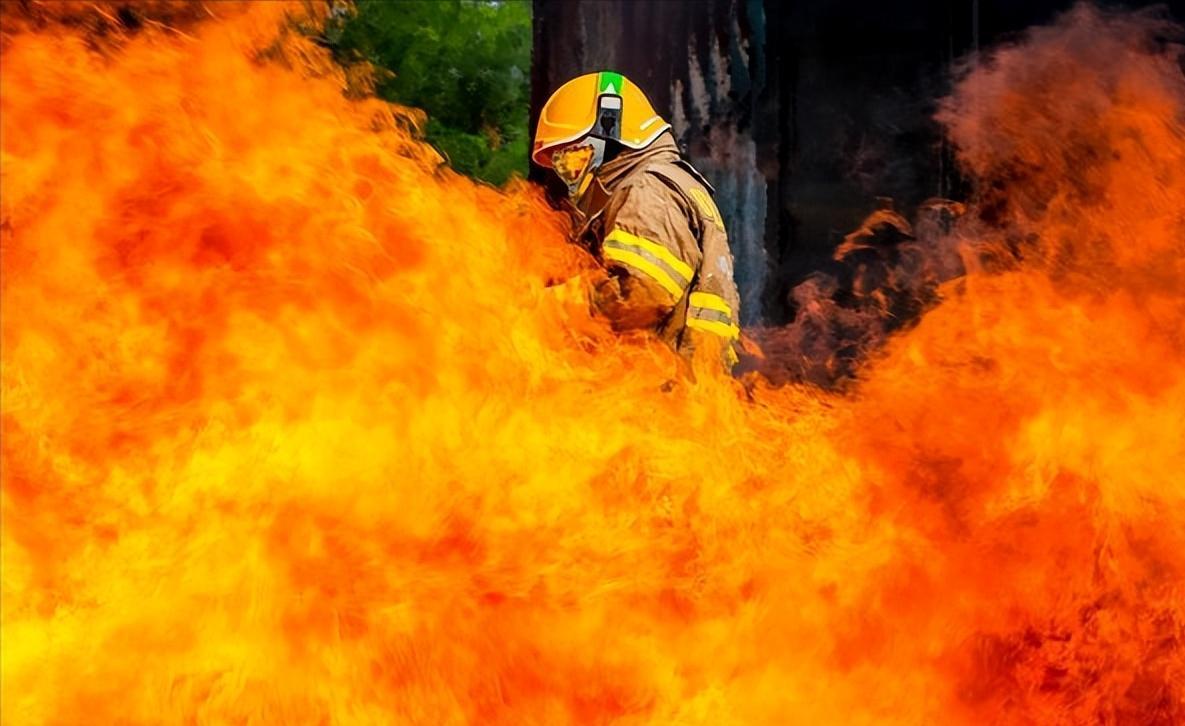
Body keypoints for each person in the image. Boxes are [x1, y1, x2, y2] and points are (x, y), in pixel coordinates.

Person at [532, 71, 742, 372]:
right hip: (681, 391)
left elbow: (643, 291)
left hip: (660, 393)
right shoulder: (669, 183)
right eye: (560, 166)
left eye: (573, 159)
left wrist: (552, 307)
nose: (569, 177)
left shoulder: (647, 190)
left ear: (610, 131)